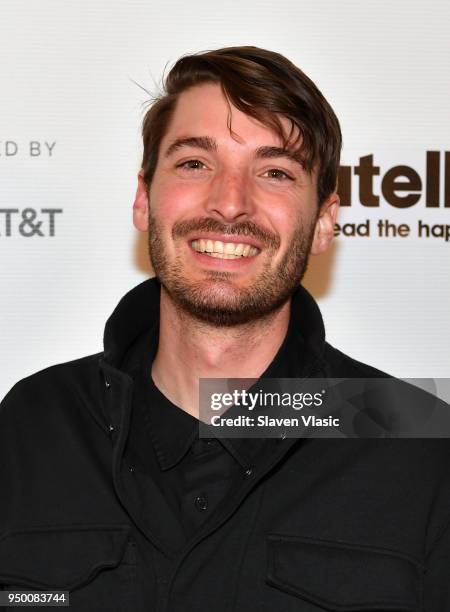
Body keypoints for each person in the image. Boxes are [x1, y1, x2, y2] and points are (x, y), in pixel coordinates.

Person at [0, 46, 449, 611]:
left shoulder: (418, 441)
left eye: (274, 172)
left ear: (324, 222)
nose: (230, 203)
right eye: (195, 163)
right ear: (144, 199)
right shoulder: (33, 422)